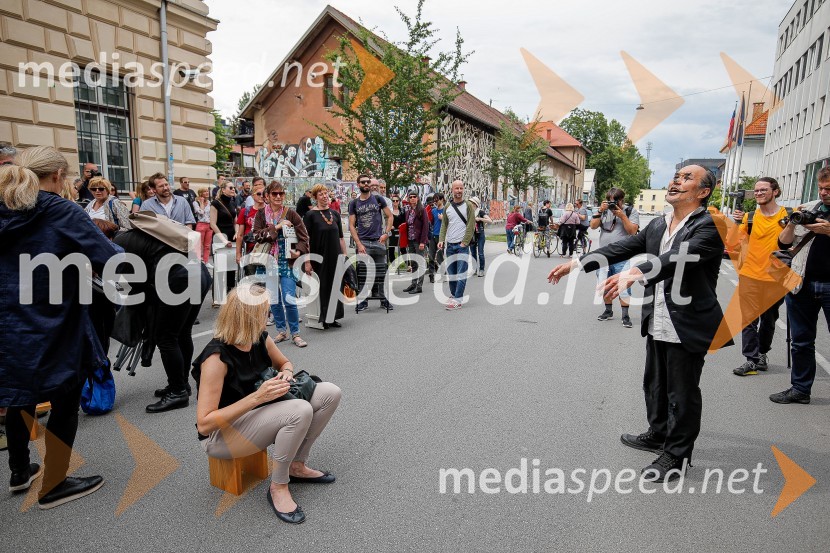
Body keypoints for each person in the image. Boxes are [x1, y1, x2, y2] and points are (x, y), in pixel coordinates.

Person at [548, 165, 725, 482]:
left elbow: (678, 259)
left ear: (703, 192)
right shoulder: (658, 225)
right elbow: (620, 247)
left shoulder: (709, 226)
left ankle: (676, 455)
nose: (676, 181)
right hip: (658, 316)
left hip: (687, 321)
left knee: (681, 392)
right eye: (676, 176)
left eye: (686, 178)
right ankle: (657, 434)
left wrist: (635, 273)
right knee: (654, 383)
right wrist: (576, 263)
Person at [0, 146, 121, 508]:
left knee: (18, 395)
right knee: (66, 397)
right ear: (56, 176)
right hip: (53, 320)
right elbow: (109, 258)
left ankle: (20, 471)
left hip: (7, 321)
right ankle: (53, 484)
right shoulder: (58, 209)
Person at [192, 284, 341, 524]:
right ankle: (278, 487)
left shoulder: (258, 337)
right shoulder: (216, 358)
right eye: (264, 313)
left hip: (258, 414)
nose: (269, 316)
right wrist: (257, 397)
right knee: (300, 410)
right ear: (247, 317)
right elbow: (204, 425)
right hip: (220, 437)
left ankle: (297, 465)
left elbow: (285, 363)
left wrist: (286, 373)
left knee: (330, 393)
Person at [113, 215, 212, 412]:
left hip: (178, 279)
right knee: (182, 333)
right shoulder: (141, 235)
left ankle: (177, 393)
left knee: (166, 337)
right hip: (198, 273)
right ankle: (181, 384)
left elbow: (136, 282)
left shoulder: (118, 244)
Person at [769, 167, 830, 404]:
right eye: (821, 188)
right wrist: (792, 224)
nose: (824, 193)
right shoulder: (810, 208)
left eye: (829, 189)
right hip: (802, 282)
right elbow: (784, 245)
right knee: (801, 340)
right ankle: (800, 389)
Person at [726, 177, 790, 376]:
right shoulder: (750, 217)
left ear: (775, 192)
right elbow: (732, 244)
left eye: (764, 190)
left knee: (769, 320)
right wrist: (736, 222)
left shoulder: (787, 215)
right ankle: (751, 359)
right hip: (750, 275)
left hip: (775, 277)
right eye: (757, 191)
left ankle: (762, 353)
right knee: (748, 320)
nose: (759, 193)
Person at [253, 181, 310, 347]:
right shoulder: (261, 215)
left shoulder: (291, 214)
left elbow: (304, 237)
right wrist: (277, 227)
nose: (278, 197)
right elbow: (256, 236)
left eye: (281, 194)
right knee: (274, 299)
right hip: (268, 261)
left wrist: (299, 251)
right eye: (274, 194)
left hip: (287, 261)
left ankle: (295, 334)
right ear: (268, 196)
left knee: (289, 297)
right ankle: (281, 331)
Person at [590, 187, 640, 328]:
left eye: (615, 201)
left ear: (621, 200)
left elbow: (632, 231)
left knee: (623, 286)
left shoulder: (631, 211)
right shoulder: (604, 211)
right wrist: (600, 211)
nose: (612, 204)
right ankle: (608, 310)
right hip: (604, 255)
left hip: (622, 256)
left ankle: (625, 315)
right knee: (604, 284)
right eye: (610, 201)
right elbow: (593, 226)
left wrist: (622, 216)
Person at [303, 184, 347, 327]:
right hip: (319, 257)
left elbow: (341, 238)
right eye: (320, 194)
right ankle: (322, 317)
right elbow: (306, 240)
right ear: (315, 197)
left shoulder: (335, 214)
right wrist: (307, 261)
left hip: (335, 255)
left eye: (326, 193)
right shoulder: (310, 216)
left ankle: (333, 317)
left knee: (335, 286)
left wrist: (345, 255)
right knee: (323, 286)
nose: (324, 196)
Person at [348, 173, 394, 311]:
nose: (366, 184)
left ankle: (383, 299)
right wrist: (359, 243)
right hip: (363, 243)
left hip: (378, 241)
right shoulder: (354, 203)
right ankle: (363, 301)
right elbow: (351, 225)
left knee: (381, 272)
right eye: (363, 182)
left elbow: (390, 216)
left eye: (368, 181)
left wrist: (386, 233)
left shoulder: (378, 199)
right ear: (358, 185)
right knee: (362, 273)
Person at [438, 180, 476, 310]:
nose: (459, 191)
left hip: (462, 246)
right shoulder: (447, 206)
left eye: (461, 188)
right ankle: (454, 295)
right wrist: (441, 239)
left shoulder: (469, 206)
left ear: (463, 189)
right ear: (452, 190)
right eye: (456, 188)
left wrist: (465, 242)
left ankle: (458, 299)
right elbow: (444, 224)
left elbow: (471, 225)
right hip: (450, 245)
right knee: (451, 273)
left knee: (461, 273)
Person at [402, 189, 429, 294]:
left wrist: (422, 242)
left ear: (417, 198)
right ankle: (413, 283)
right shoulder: (408, 211)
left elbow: (425, 227)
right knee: (413, 262)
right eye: (410, 197)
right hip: (410, 240)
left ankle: (419, 285)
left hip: (419, 241)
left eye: (414, 197)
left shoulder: (422, 210)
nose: (412, 198)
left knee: (420, 262)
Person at [236, 181, 266, 274]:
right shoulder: (245, 211)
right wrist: (238, 253)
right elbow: (240, 235)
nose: (261, 196)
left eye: (264, 194)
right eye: (258, 194)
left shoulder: (270, 211)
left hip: (267, 250)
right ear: (253, 196)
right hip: (251, 250)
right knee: (252, 279)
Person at [469, 196, 492, 277]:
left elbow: (490, 221)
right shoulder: (469, 212)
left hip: (480, 235)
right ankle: (474, 269)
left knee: (480, 253)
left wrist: (480, 219)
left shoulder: (480, 212)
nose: (470, 204)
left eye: (471, 203)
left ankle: (481, 269)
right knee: (473, 253)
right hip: (472, 235)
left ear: (475, 204)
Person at [427, 193, 445, 283]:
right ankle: (431, 275)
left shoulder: (446, 210)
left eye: (437, 200)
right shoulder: (433, 211)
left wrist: (443, 219)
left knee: (440, 256)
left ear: (442, 200)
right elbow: (431, 222)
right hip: (433, 235)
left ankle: (442, 275)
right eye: (434, 200)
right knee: (431, 255)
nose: (435, 202)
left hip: (441, 236)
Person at [193, 186, 213, 263]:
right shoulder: (196, 202)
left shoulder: (210, 203)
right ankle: (198, 260)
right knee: (199, 244)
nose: (207, 193)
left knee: (207, 245)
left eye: (207, 191)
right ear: (201, 193)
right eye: (205, 191)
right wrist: (201, 202)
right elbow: (201, 212)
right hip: (200, 224)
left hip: (209, 225)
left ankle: (206, 261)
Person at [389, 193, 406, 265]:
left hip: (401, 231)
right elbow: (386, 221)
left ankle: (407, 264)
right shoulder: (389, 211)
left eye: (397, 201)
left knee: (403, 248)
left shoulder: (402, 211)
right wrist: (390, 226)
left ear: (399, 201)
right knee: (391, 248)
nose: (395, 202)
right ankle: (393, 264)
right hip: (392, 232)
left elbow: (405, 221)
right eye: (393, 201)